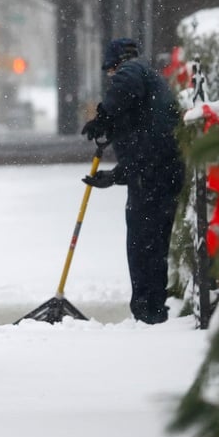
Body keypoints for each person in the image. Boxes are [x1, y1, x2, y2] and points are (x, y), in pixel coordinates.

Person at [81, 38, 185, 324]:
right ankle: (152, 310)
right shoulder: (149, 91)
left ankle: (147, 312)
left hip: (155, 178)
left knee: (143, 245)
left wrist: (102, 116)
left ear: (116, 64)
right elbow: (144, 147)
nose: (111, 78)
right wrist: (114, 176)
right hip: (158, 174)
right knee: (152, 247)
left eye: (110, 72)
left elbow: (125, 86)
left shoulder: (133, 70)